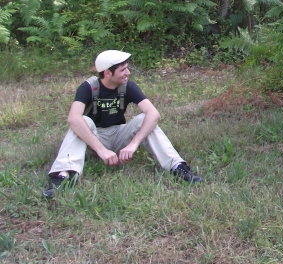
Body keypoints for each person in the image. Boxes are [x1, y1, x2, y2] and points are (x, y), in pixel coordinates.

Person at [43, 50, 201, 198]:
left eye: (127, 68)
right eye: (123, 70)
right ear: (107, 73)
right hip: (94, 139)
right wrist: (102, 150)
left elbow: (154, 114)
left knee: (144, 119)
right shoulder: (89, 87)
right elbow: (73, 118)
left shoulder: (127, 86)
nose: (128, 73)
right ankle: (62, 177)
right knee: (82, 121)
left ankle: (177, 167)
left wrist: (133, 145)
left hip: (119, 135)